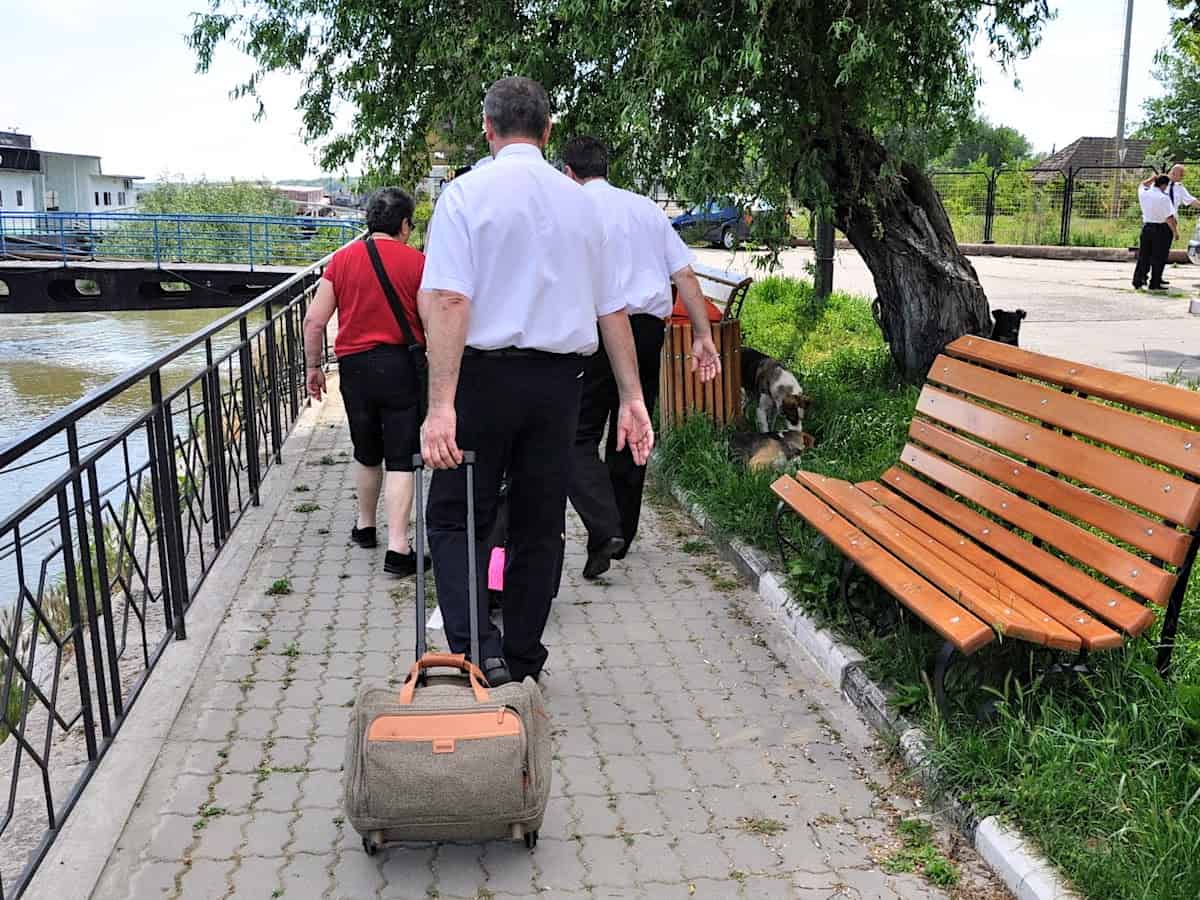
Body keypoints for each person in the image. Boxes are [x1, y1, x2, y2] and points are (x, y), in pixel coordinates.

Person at [418, 77, 653, 687]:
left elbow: (448, 299)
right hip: (559, 385)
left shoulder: (465, 196)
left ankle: (476, 650)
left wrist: (439, 406)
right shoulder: (582, 205)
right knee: (538, 522)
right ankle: (521, 657)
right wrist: (632, 397)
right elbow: (613, 311)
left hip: (482, 383)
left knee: (454, 515)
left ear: (489, 129)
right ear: (548, 134)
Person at [561, 136, 721, 579]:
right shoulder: (646, 208)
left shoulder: (572, 208)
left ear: (568, 172)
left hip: (595, 330)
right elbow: (685, 275)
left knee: (578, 434)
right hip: (649, 331)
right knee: (635, 426)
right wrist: (702, 337)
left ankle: (604, 523)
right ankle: (623, 535)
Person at [303, 188, 428, 576]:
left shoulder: (341, 261)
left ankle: (365, 526)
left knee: (366, 450)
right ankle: (398, 548)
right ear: (404, 225)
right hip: (401, 367)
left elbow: (314, 321)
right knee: (402, 457)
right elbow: (431, 322)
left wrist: (313, 367)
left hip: (354, 368)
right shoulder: (418, 263)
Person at [1133, 174, 1178, 292]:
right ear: (1164, 185)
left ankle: (1138, 280)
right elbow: (1169, 218)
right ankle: (1155, 282)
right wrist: (1175, 232)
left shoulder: (1144, 193)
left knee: (1144, 255)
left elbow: (1142, 184)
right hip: (1161, 229)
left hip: (1147, 227)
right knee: (1159, 257)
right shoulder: (1163, 198)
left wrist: (1152, 178)